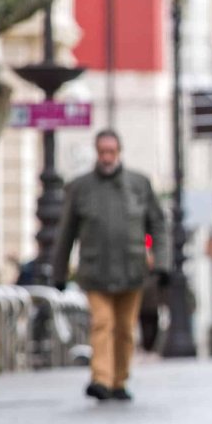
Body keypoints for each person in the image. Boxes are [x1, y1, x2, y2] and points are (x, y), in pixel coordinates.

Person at [52, 129, 170, 402]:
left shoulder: (139, 184)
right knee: (103, 323)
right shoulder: (80, 187)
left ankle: (119, 380)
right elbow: (66, 233)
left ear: (119, 152)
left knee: (125, 328)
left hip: (132, 271)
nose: (106, 157)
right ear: (96, 152)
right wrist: (59, 273)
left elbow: (158, 226)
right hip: (95, 272)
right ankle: (101, 379)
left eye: (111, 152)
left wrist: (162, 264)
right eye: (102, 152)